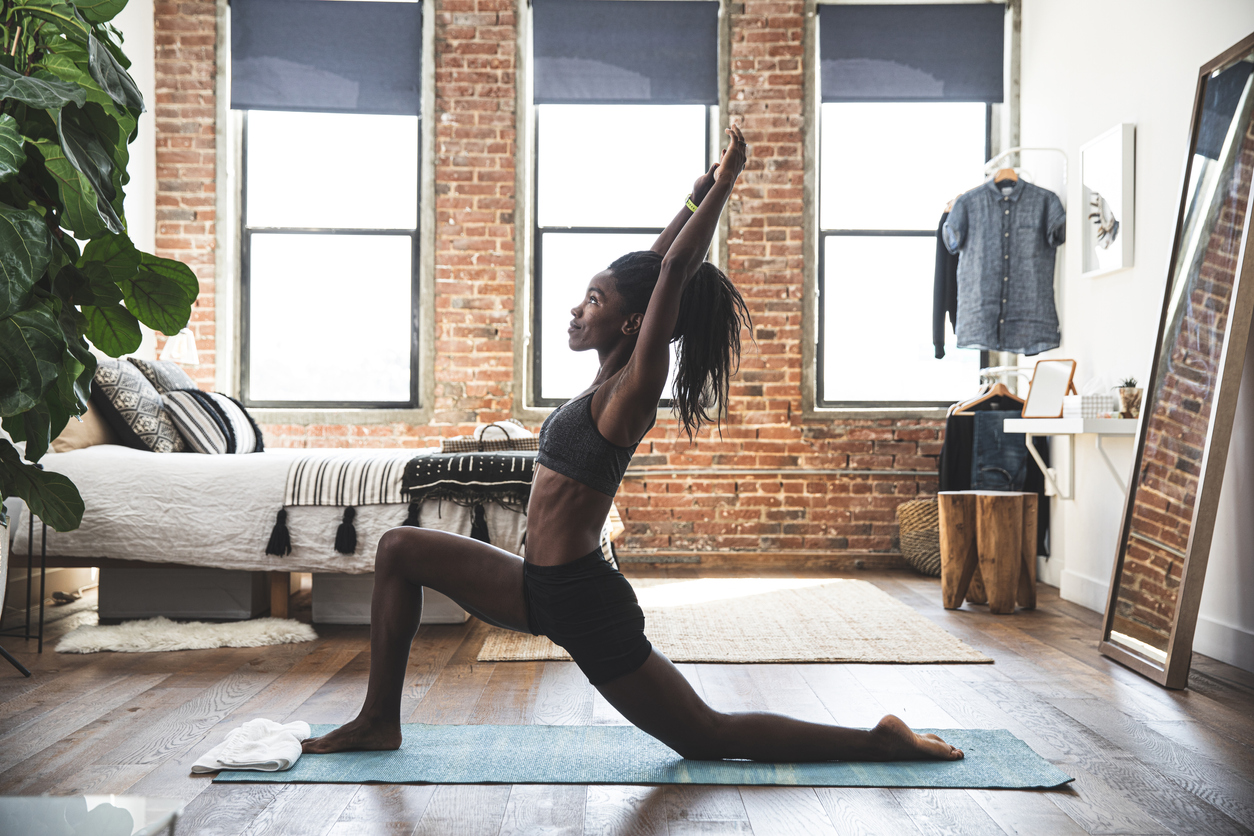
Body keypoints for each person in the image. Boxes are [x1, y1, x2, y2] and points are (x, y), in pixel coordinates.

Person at [303, 125, 963, 764]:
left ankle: (878, 741)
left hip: (583, 601)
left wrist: (725, 186)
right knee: (399, 549)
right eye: (584, 297)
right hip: (538, 584)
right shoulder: (609, 372)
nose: (576, 309)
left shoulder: (634, 390)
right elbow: (653, 269)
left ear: (630, 322)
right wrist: (688, 197)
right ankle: (377, 721)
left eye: (592, 300)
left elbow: (671, 272)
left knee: (705, 737)